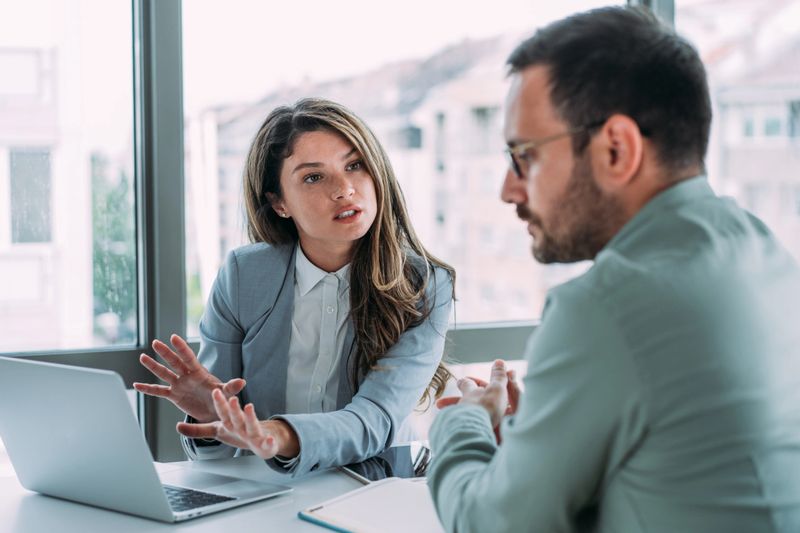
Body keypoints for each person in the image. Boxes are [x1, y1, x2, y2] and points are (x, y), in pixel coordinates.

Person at [428, 6, 800, 532]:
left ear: (616, 149)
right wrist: (547, 434)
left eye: (524, 157)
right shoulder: (762, 252)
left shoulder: (607, 305)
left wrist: (462, 421)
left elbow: (490, 525)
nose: (508, 190)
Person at [134, 98, 454, 476]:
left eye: (354, 165)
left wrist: (278, 434)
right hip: (265, 492)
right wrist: (211, 422)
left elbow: (375, 421)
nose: (344, 190)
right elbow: (219, 450)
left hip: (372, 489)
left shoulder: (425, 285)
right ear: (279, 202)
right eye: (314, 177)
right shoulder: (243, 275)